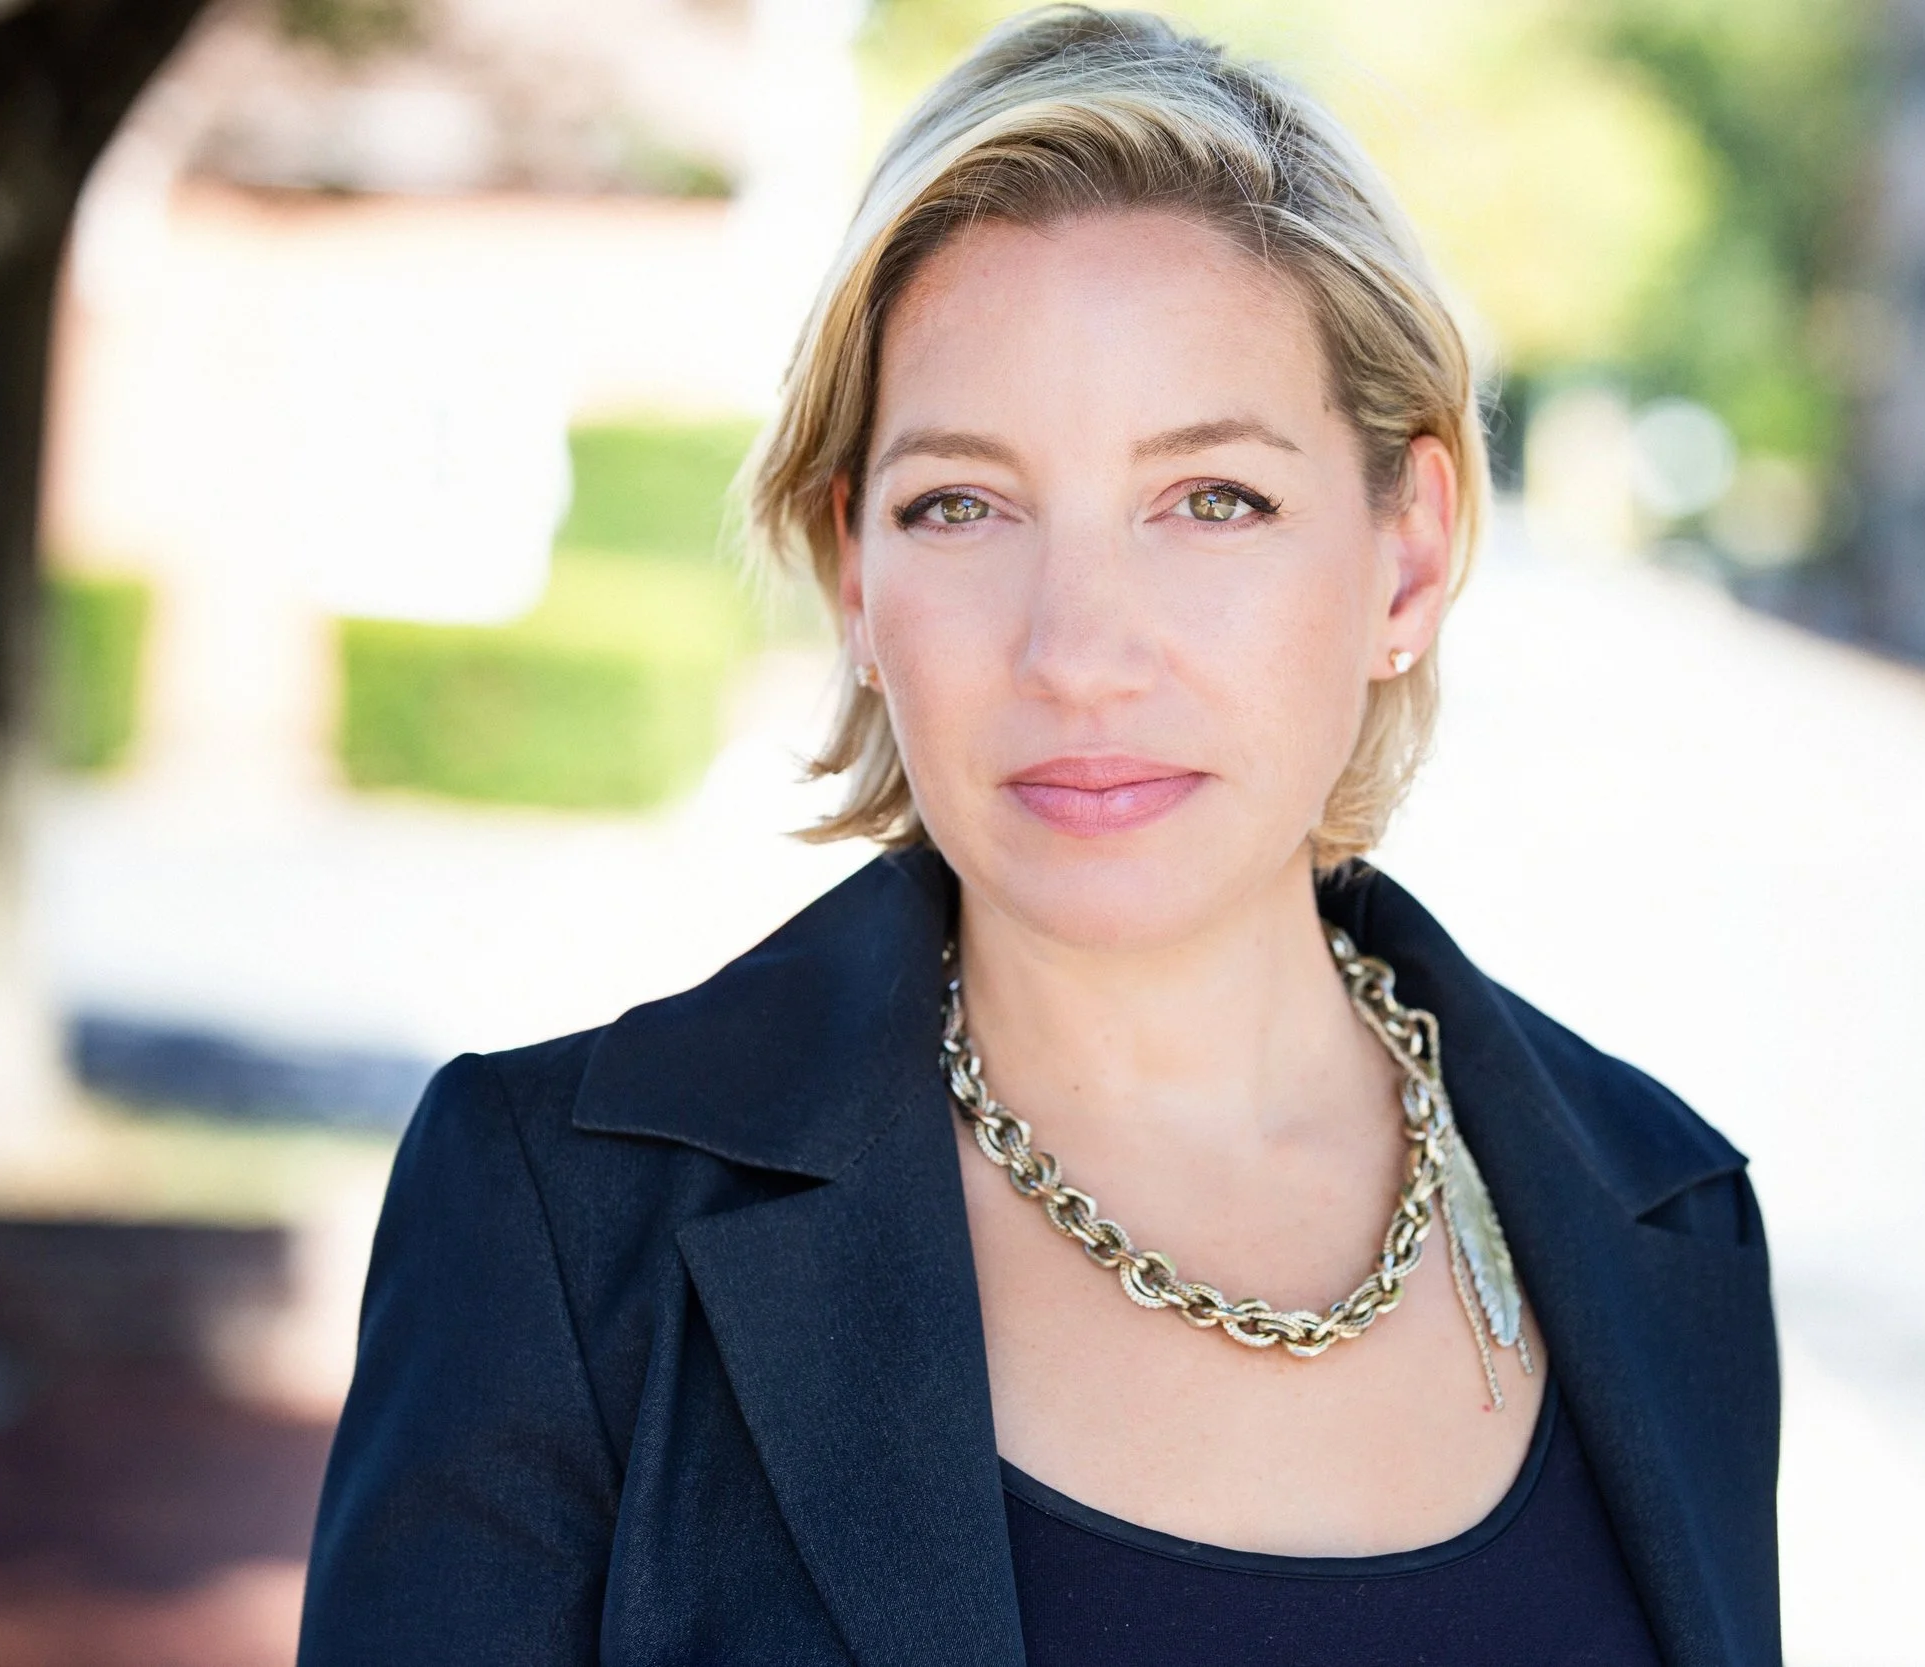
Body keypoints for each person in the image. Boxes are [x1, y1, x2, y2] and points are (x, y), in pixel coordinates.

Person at [297, 9, 1779, 1665]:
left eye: (1211, 497)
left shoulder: (1665, 1215)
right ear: (856, 576)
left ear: (1407, 561)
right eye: (962, 504)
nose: (1077, 647)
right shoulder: (560, 1229)